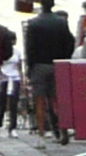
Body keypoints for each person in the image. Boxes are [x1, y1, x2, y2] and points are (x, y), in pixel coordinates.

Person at [23, 0, 74, 143]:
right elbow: (69, 43)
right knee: (57, 100)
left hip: (39, 64)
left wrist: (29, 66)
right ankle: (62, 130)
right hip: (58, 64)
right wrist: (64, 59)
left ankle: (41, 134)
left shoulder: (33, 23)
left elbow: (30, 48)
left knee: (39, 100)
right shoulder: (61, 23)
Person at [1, 27, 22, 137]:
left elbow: (19, 67)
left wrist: (22, 80)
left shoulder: (17, 52)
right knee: (2, 103)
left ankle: (12, 127)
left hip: (14, 78)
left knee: (14, 103)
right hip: (3, 78)